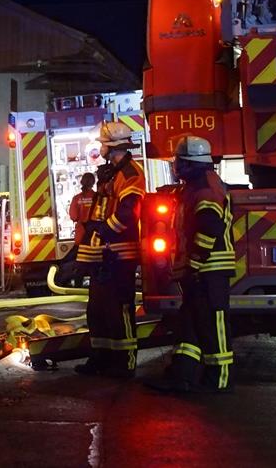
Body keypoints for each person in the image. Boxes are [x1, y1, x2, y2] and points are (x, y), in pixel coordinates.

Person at [146, 135, 234, 393]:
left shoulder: (205, 188)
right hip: (199, 270)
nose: (175, 166)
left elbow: (210, 227)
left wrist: (195, 263)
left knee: (213, 326)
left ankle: (219, 380)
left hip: (209, 270)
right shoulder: (196, 186)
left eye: (178, 161)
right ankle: (181, 375)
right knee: (191, 324)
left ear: (189, 163)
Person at [75, 122, 146, 378]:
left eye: (103, 143)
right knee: (98, 310)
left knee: (120, 310)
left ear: (112, 146)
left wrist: (103, 229)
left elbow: (129, 212)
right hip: (102, 253)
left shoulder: (129, 174)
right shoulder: (111, 172)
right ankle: (101, 358)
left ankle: (124, 363)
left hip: (119, 253)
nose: (100, 147)